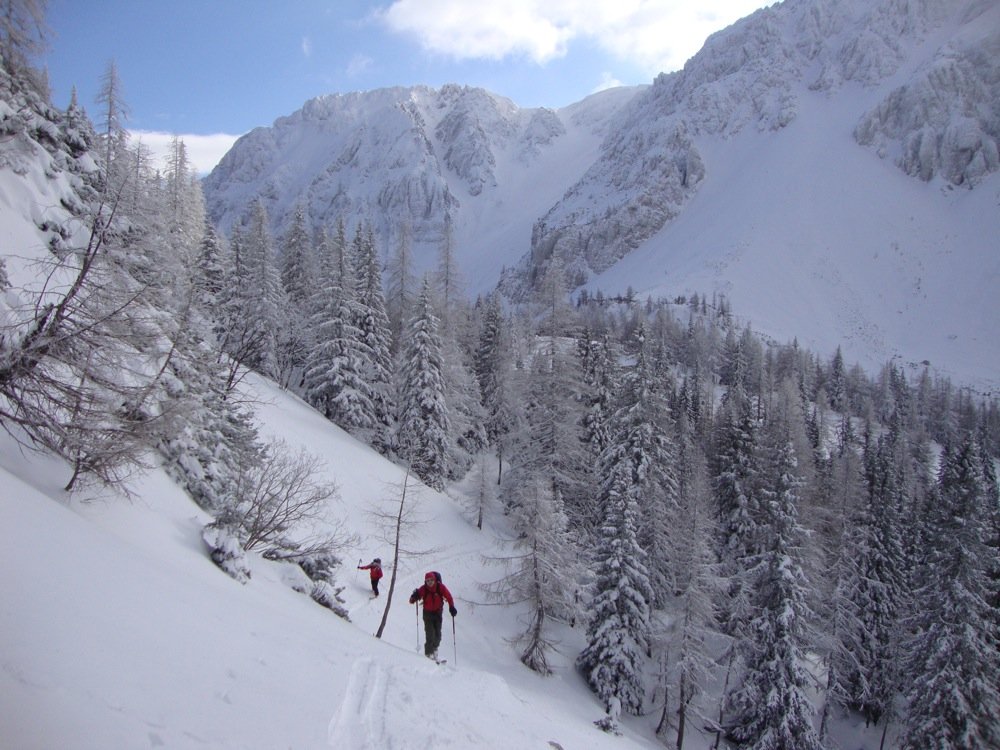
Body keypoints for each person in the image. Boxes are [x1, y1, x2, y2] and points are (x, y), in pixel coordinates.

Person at [409, 571, 457, 660]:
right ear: (425, 581)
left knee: (438, 635)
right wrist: (413, 597)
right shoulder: (424, 589)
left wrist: (451, 607)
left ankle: (434, 650)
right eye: (427, 581)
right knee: (430, 633)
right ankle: (428, 654)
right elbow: (413, 599)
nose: (430, 582)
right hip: (427, 614)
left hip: (438, 613)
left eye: (431, 580)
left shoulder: (440, 587)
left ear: (434, 580)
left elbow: (449, 596)